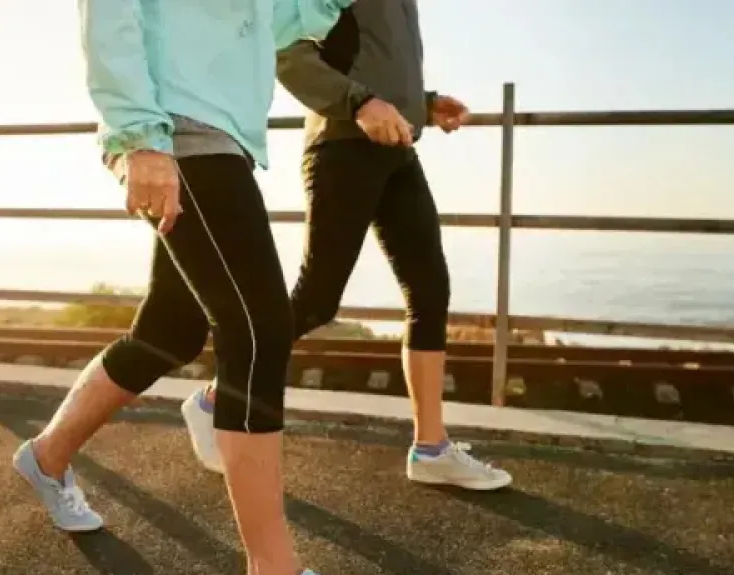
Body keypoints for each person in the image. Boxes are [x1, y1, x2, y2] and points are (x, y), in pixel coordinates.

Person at [13, 1, 365, 575]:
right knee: (257, 326)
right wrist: (139, 136)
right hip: (174, 127)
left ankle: (46, 456)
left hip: (222, 135)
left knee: (170, 330)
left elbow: (281, 22)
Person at [180, 0, 513, 491]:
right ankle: (216, 398)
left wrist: (423, 102)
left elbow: (369, 57)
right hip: (343, 147)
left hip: (395, 149)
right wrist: (358, 103)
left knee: (430, 290)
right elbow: (285, 52)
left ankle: (431, 448)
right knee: (317, 299)